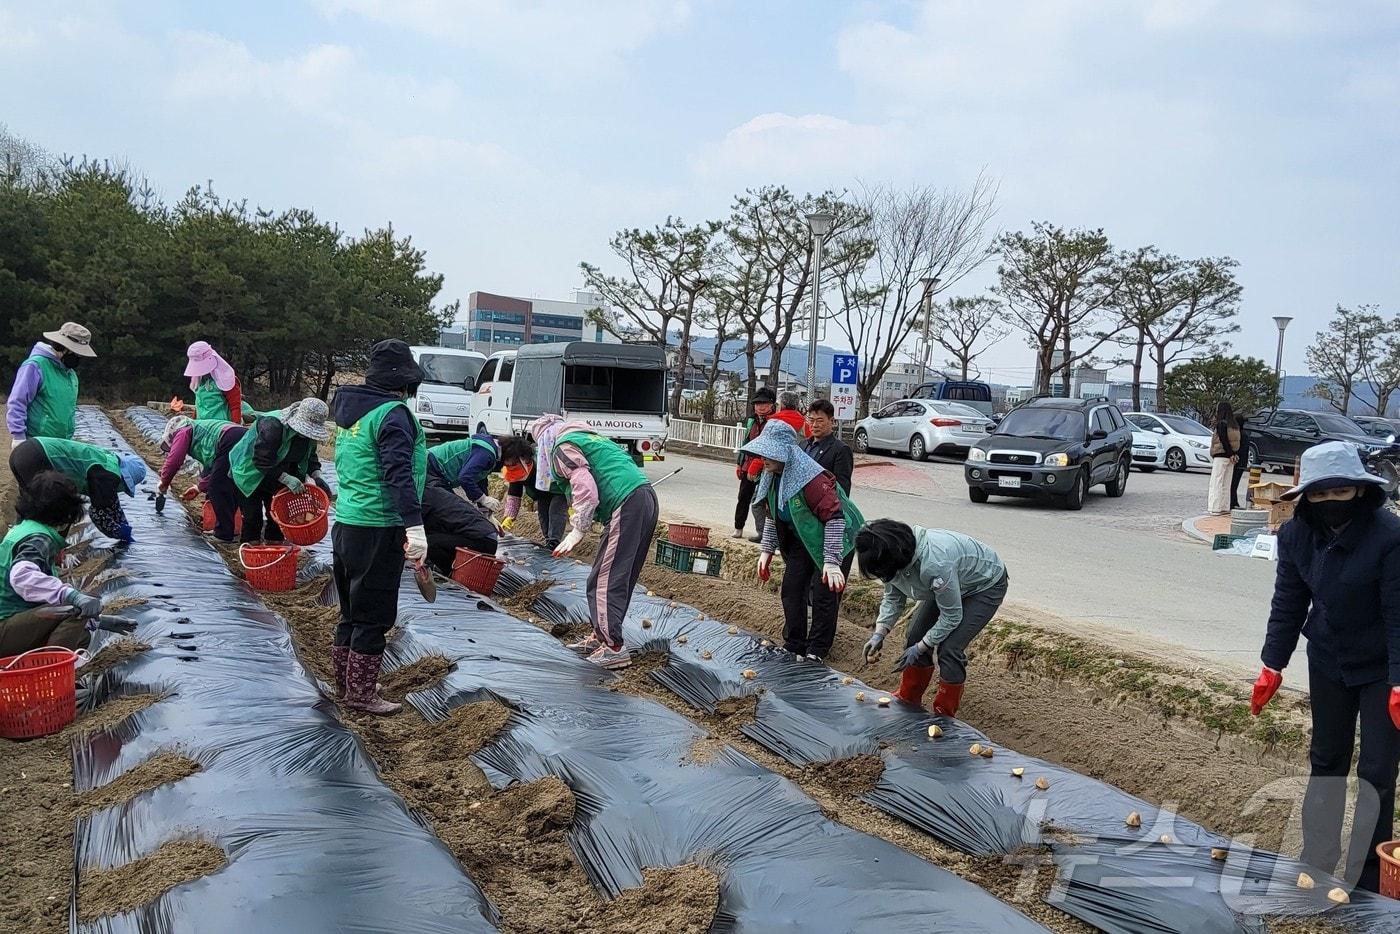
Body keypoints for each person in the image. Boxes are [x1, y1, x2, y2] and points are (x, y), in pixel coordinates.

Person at [1250, 441, 1400, 893]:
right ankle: (1317, 858)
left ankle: (1369, 876)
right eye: (1319, 494)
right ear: (1307, 497)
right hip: (1329, 658)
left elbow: (1398, 613)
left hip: (1381, 669)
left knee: (1377, 767)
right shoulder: (1296, 536)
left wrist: (1399, 680)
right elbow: (1290, 602)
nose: (1330, 502)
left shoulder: (1389, 536)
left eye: (1339, 493)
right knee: (1327, 758)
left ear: (1358, 490)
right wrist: (1272, 663)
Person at [330, 339, 428, 714]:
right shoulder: (393, 414)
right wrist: (415, 525)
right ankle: (360, 694)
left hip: (346, 524)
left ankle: (347, 683)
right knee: (374, 614)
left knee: (351, 610)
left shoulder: (351, 411)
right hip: (377, 525)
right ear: (403, 383)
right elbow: (398, 473)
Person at [529, 413, 659, 670]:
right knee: (619, 575)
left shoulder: (561, 448)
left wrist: (578, 529)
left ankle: (613, 647)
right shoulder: (588, 438)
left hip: (627, 502)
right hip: (644, 498)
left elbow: (584, 486)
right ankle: (602, 636)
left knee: (603, 579)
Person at [857, 520, 1008, 716]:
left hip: (985, 584)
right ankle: (908, 698)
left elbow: (952, 616)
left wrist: (922, 647)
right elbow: (893, 597)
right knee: (914, 635)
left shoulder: (935, 564)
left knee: (949, 648)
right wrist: (880, 632)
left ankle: (944, 713)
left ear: (896, 561)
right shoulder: (890, 554)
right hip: (952, 581)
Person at [741, 420, 863, 662]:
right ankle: (794, 642)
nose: (763, 458)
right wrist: (767, 550)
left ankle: (817, 649)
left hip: (835, 537)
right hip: (803, 539)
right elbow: (774, 515)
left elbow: (835, 519)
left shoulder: (811, 479)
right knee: (792, 588)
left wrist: (830, 560)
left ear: (784, 452)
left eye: (769, 453)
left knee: (823, 593)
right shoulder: (772, 476)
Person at [0, 472, 108, 654]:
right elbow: (22, 576)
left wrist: (100, 622)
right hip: (4, 626)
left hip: (9, 622)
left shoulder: (23, 528)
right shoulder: (39, 538)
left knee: (81, 636)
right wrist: (71, 596)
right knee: (72, 608)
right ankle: (50, 670)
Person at [228, 399, 331, 543]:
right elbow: (261, 460)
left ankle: (275, 546)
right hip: (250, 472)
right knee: (253, 516)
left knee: (279, 515)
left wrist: (317, 476)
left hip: (279, 472)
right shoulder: (273, 425)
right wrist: (286, 478)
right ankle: (250, 549)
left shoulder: (307, 437)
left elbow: (310, 456)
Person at [9, 437, 145, 544]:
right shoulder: (108, 476)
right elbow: (98, 513)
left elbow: (112, 504)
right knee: (54, 510)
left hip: (24, 452)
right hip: (38, 456)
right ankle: (43, 551)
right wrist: (119, 532)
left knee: (28, 506)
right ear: (123, 477)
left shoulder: (108, 464)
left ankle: (14, 541)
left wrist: (124, 524)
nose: (121, 489)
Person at [155, 415, 249, 541]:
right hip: (239, 437)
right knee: (232, 484)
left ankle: (224, 534)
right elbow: (215, 470)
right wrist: (199, 487)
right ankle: (242, 532)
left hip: (231, 439)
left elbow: (175, 460)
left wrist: (164, 482)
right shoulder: (199, 435)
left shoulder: (184, 431)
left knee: (217, 487)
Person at [6, 322, 96, 448]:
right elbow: (18, 401)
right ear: (61, 347)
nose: (77, 358)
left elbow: (68, 411)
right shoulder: (36, 366)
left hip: (62, 444)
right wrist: (19, 436)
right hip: (36, 443)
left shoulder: (71, 376)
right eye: (74, 353)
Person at [500, 435, 568, 549]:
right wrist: (509, 516)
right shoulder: (514, 469)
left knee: (556, 511)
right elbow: (514, 493)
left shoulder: (542, 459)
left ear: (525, 459)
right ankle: (548, 541)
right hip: (541, 492)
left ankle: (554, 542)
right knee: (543, 513)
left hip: (558, 488)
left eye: (513, 464)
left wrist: (571, 499)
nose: (511, 466)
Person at [733, 387, 776, 540]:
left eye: (763, 403)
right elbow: (746, 442)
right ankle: (738, 527)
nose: (760, 407)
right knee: (743, 496)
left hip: (766, 467)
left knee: (764, 501)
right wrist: (740, 463)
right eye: (757, 404)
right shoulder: (752, 421)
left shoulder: (775, 422)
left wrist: (761, 462)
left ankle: (764, 533)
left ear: (772, 404)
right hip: (748, 465)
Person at [427, 429, 502, 514]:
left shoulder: (489, 451)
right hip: (432, 465)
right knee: (449, 509)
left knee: (451, 508)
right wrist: (483, 499)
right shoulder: (485, 453)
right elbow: (465, 478)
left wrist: (486, 514)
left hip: (437, 467)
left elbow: (480, 480)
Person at [184, 341, 256, 423]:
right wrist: (193, 422)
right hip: (202, 424)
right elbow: (199, 405)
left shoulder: (226, 379)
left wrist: (235, 427)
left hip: (222, 426)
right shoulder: (199, 380)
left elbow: (235, 407)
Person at [804, 398, 853, 493]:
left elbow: (842, 490)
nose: (814, 425)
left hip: (823, 505)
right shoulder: (803, 445)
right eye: (811, 420)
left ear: (832, 421)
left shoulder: (841, 450)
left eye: (820, 420)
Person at [1208, 400, 1239, 516]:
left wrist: (1229, 453)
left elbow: (1223, 440)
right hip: (1231, 458)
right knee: (1227, 483)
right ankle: (1225, 507)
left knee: (1216, 482)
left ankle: (1214, 507)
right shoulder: (1234, 425)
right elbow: (1234, 442)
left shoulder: (1221, 423)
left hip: (1221, 455)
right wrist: (1233, 454)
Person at [1230, 412, 1251, 510]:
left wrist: (1235, 454)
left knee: (1233, 484)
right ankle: (1233, 502)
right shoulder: (1244, 433)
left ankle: (1233, 502)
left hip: (1239, 463)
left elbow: (1242, 449)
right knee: (1234, 484)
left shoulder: (1241, 434)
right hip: (1242, 463)